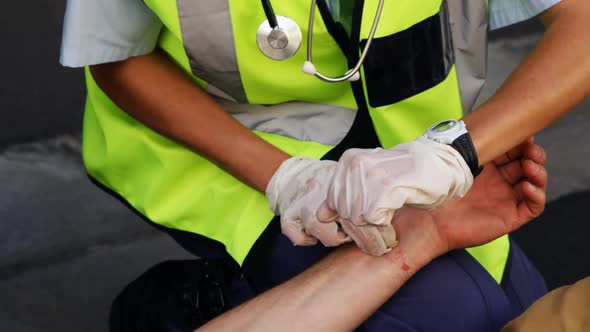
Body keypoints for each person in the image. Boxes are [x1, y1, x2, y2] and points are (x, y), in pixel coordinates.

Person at [59, 0, 589, 330]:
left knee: (516, 310)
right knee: (443, 314)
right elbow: (116, 58)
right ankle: (191, 307)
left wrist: (456, 150)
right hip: (227, 147)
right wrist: (285, 178)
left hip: (414, 143)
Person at [197, 138, 548, 331]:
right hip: (418, 187)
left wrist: (458, 151)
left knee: (487, 305)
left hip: (419, 190)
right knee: (457, 310)